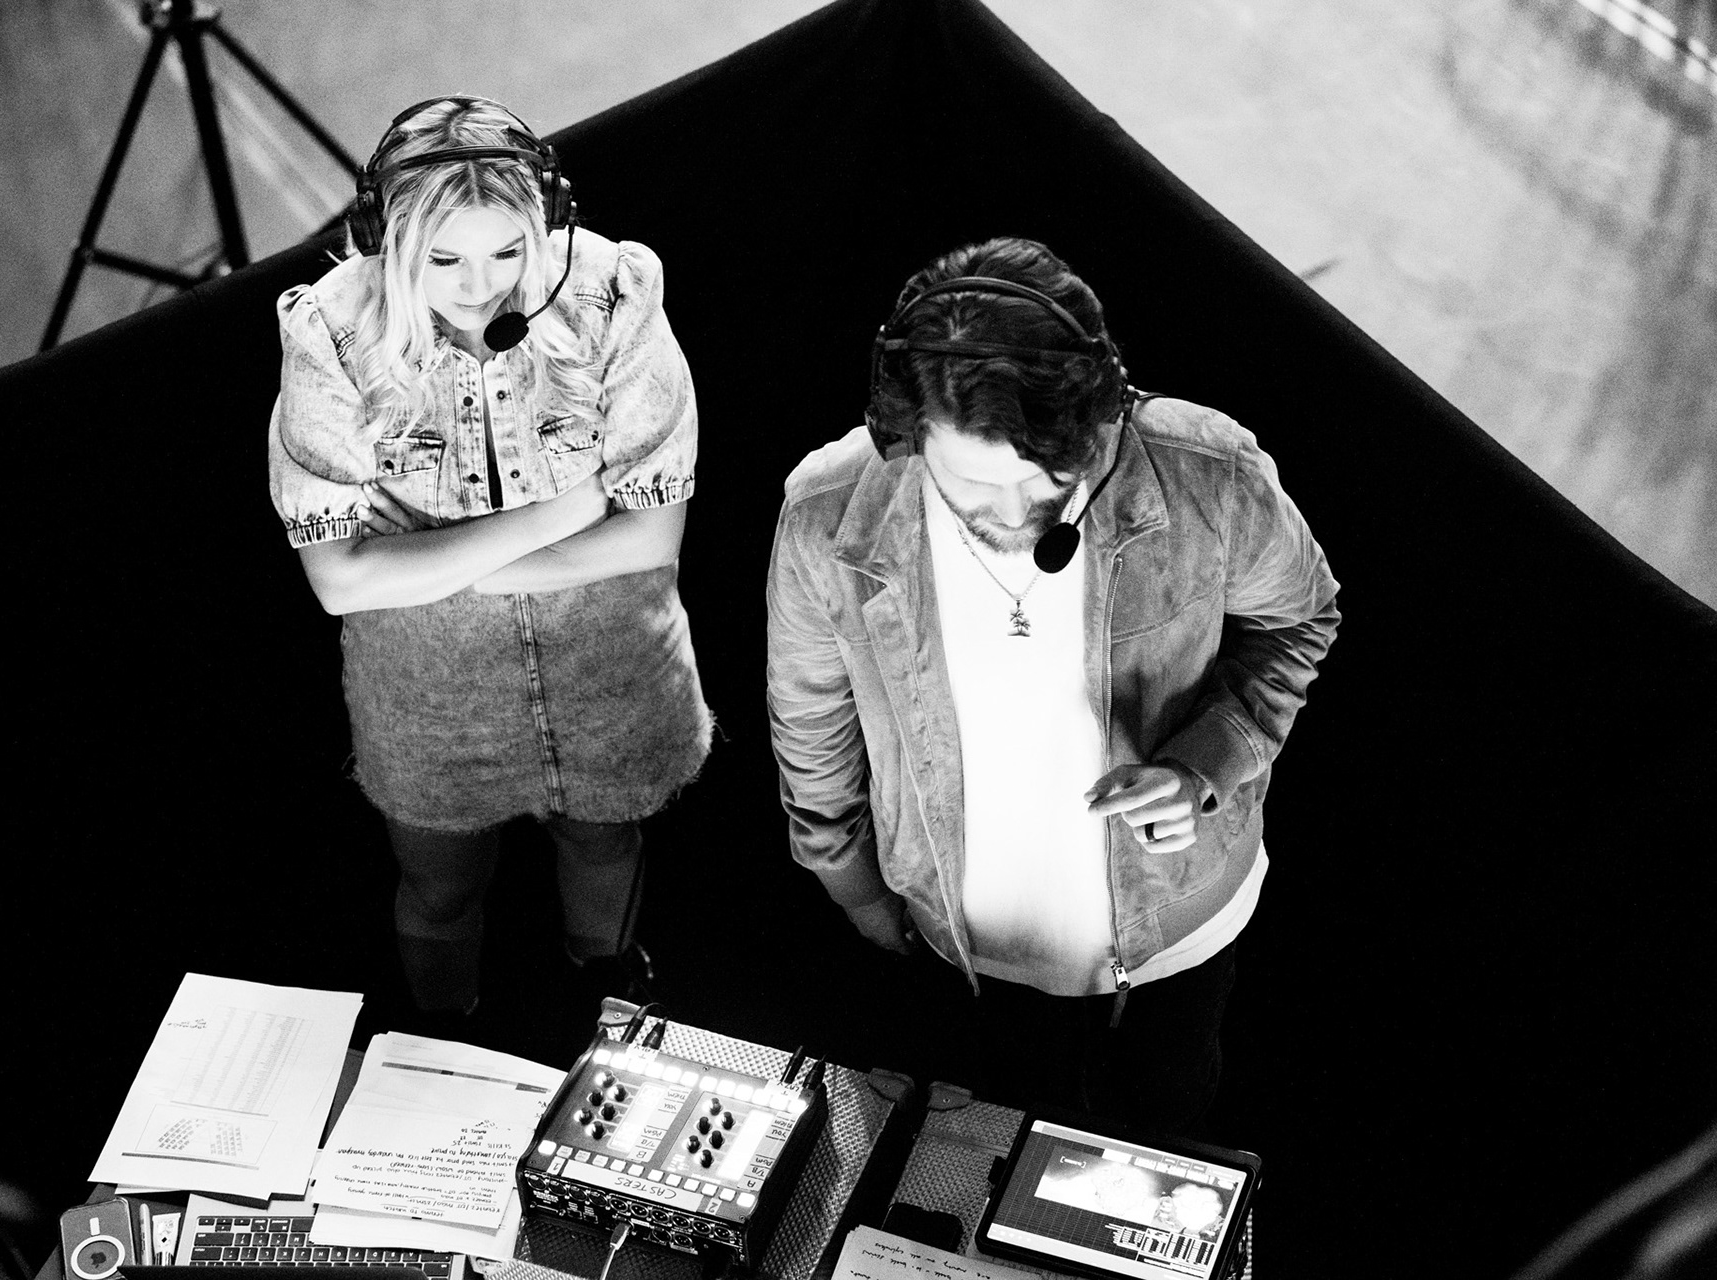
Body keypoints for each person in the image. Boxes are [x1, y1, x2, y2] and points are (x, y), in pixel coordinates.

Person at [765, 236, 1339, 1134]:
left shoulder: (1208, 475)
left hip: (1180, 932)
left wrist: (1203, 765)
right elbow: (810, 716)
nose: (1011, 514)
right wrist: (854, 885)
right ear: (905, 433)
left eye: (1043, 482)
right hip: (961, 948)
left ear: (1104, 411)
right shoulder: (825, 517)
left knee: (1163, 1129)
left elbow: (1299, 621)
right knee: (979, 1153)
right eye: (972, 485)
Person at [267, 95, 711, 1027]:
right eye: (445, 260)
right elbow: (338, 579)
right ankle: (445, 1035)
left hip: (609, 664)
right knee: (440, 888)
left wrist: (434, 569)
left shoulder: (613, 292)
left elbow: (652, 535)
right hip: (430, 692)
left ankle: (604, 1002)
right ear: (386, 242)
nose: (482, 287)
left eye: (509, 251)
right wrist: (563, 514)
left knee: (606, 845)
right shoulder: (332, 333)